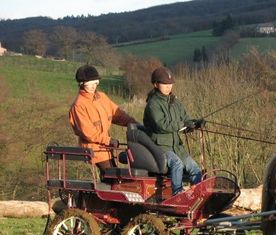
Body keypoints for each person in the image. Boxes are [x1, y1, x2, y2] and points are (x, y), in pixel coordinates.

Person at [143, 66, 204, 195]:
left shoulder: (175, 102)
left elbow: (185, 120)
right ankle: (177, 194)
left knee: (195, 169)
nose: (168, 86)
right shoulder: (153, 104)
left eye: (170, 84)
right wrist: (183, 124)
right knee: (177, 164)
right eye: (164, 84)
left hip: (176, 145)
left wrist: (195, 124)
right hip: (160, 146)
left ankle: (198, 195)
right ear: (155, 84)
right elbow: (162, 125)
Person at [69, 65, 137, 176]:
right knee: (112, 175)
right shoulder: (79, 106)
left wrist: (132, 123)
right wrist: (108, 140)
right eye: (89, 84)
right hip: (94, 149)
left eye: (95, 83)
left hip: (106, 147)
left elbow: (117, 114)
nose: (93, 86)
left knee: (115, 174)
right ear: (81, 84)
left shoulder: (102, 97)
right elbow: (88, 133)